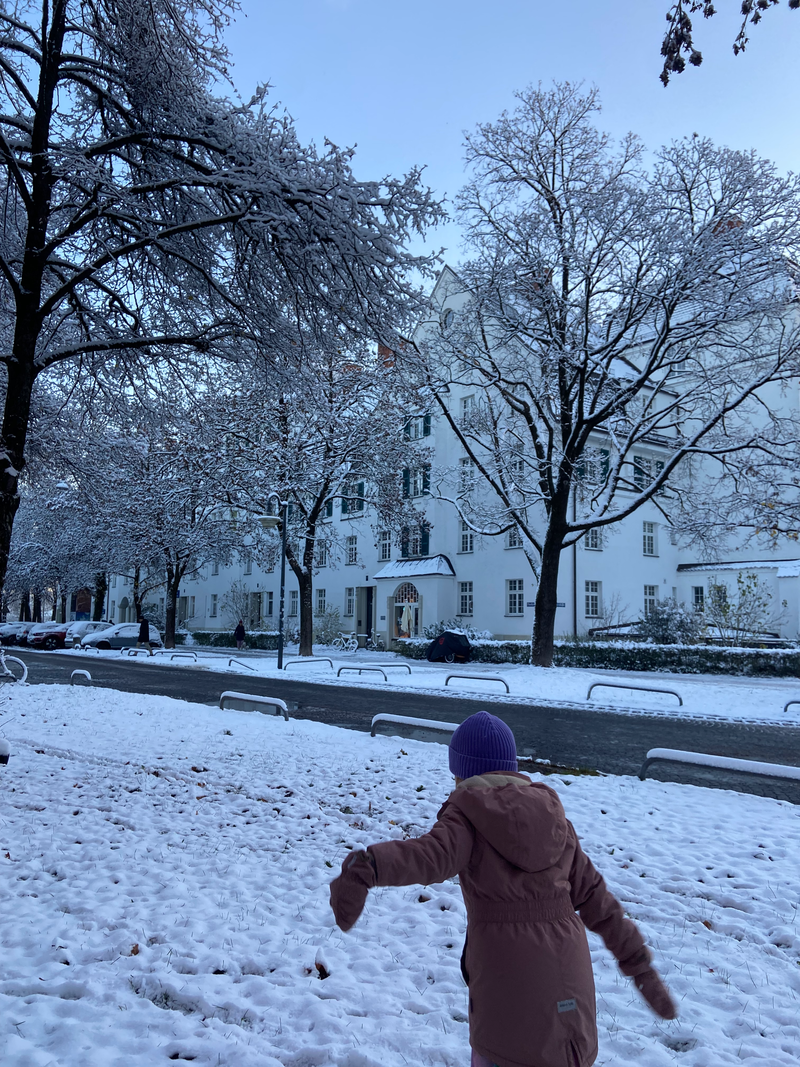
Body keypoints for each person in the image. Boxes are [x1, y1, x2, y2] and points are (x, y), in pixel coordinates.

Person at [330, 710, 676, 1067]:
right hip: (571, 987)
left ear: (461, 772)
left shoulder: (468, 815)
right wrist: (640, 968)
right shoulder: (555, 821)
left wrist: (367, 866)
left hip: (511, 995)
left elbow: (427, 856)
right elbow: (600, 903)